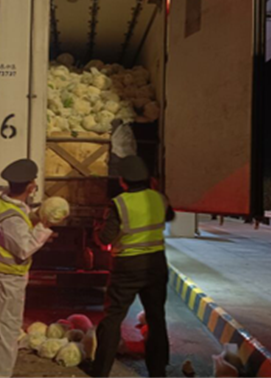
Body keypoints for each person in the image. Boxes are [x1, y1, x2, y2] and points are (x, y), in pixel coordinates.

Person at [92, 155, 174, 378]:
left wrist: (97, 229)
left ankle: (100, 371)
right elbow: (169, 216)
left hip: (127, 266)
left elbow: (105, 238)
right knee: (156, 318)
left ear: (122, 180)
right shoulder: (159, 199)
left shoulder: (119, 203)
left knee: (113, 317)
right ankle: (158, 371)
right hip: (155, 264)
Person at [0, 159, 56, 377]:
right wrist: (45, 227)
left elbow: (20, 228)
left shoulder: (7, 202)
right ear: (30, 187)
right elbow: (23, 248)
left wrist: (37, 220)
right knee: (6, 331)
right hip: (7, 278)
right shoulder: (11, 217)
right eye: (34, 182)